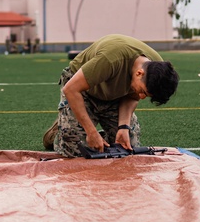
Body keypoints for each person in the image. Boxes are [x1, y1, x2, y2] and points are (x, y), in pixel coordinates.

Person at [43, 34, 179, 157]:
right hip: (82, 91)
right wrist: (90, 131)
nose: (141, 97)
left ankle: (84, 128)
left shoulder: (156, 69)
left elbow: (132, 97)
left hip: (114, 95)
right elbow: (71, 89)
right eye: (142, 92)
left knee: (128, 145)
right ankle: (61, 132)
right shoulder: (111, 59)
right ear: (139, 73)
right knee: (76, 150)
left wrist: (123, 127)